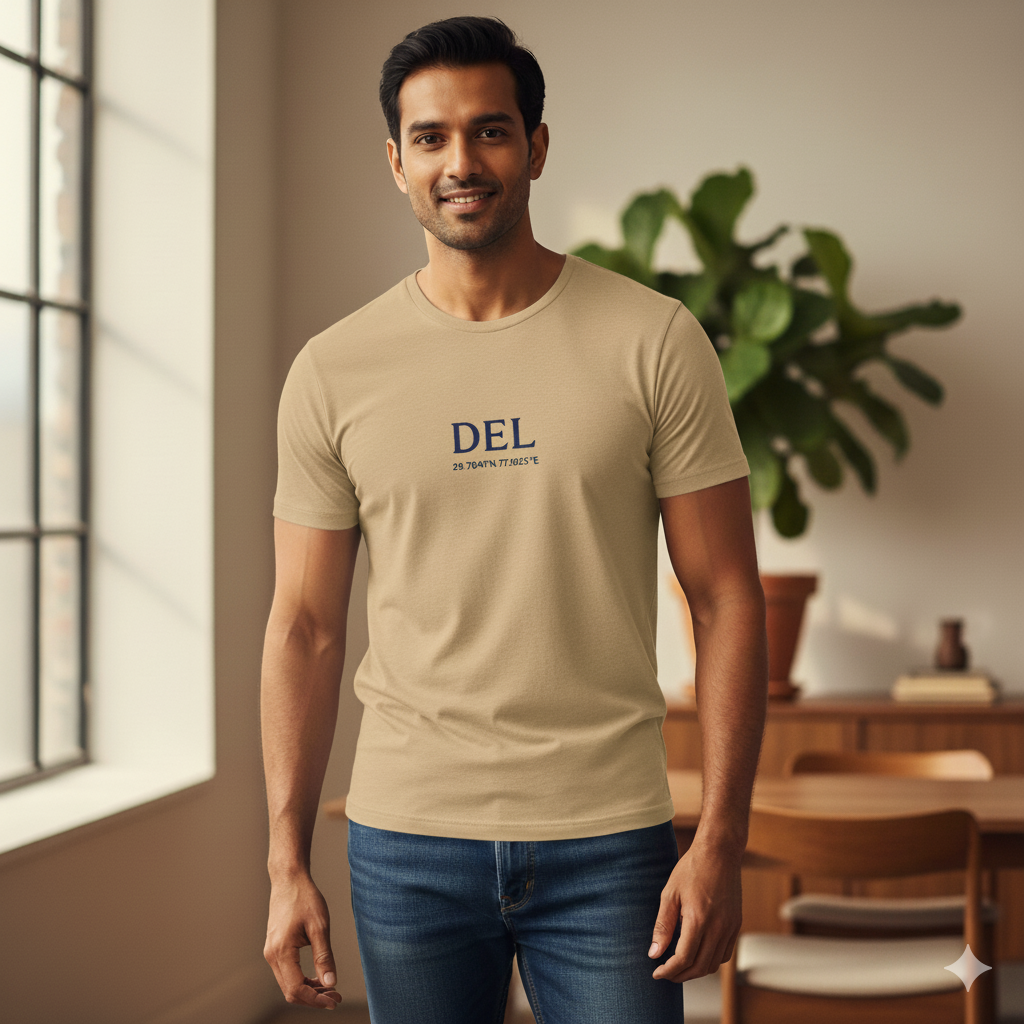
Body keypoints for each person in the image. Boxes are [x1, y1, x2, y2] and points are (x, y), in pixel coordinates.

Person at [261, 16, 767, 1022]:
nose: (463, 161)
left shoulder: (654, 341)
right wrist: (283, 855)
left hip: (609, 840)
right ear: (396, 162)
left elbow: (725, 596)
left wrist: (717, 837)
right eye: (434, 138)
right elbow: (305, 627)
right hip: (406, 842)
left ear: (535, 146)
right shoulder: (332, 370)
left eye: (490, 131)